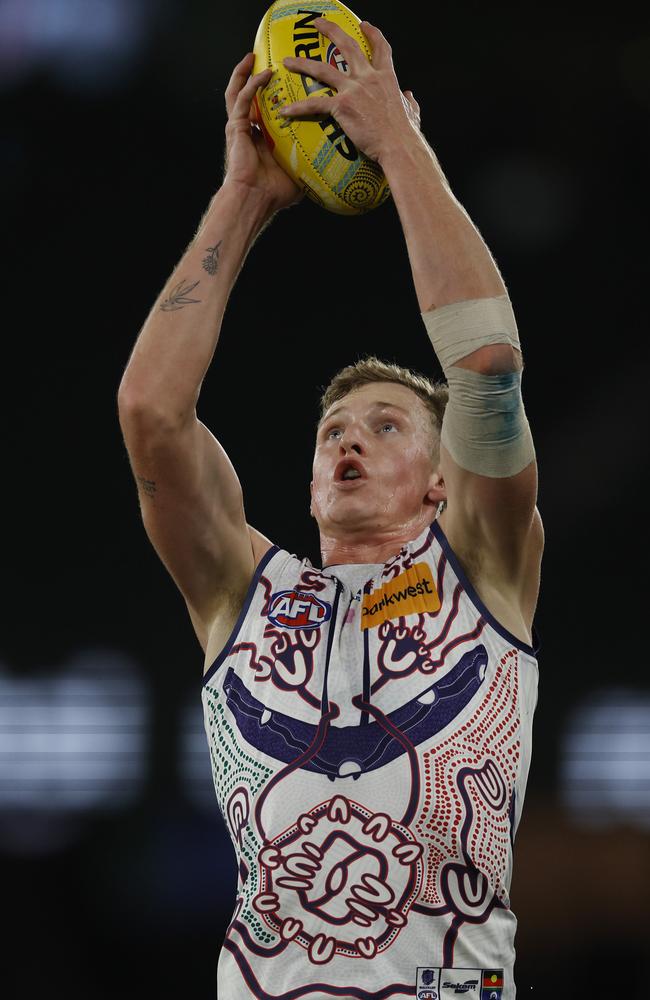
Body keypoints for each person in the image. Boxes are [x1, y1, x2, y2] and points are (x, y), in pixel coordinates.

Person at [118, 17, 543, 1000]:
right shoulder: (242, 593)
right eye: (332, 433)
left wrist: (397, 141)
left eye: (387, 426)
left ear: (443, 482)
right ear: (311, 484)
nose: (347, 439)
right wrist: (242, 197)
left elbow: (483, 368)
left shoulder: (479, 571)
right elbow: (150, 413)